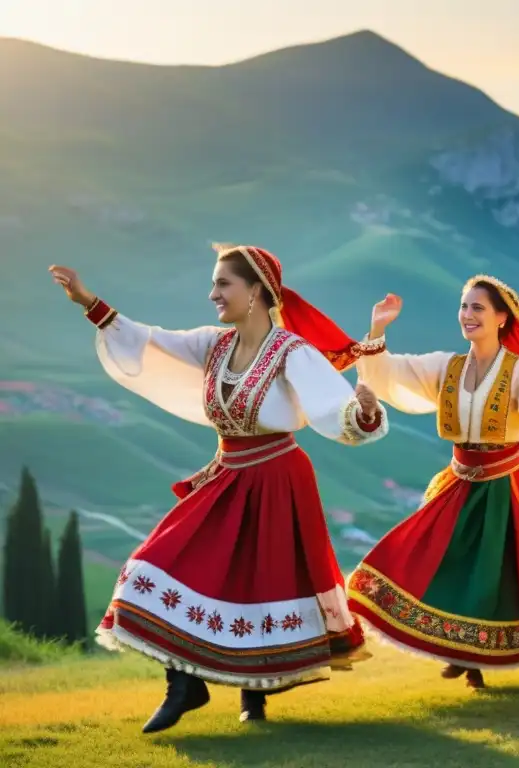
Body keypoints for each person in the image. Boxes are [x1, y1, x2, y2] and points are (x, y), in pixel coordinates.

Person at [48, 244, 389, 733]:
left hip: (276, 477)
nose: (212, 294)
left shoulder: (292, 353)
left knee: (261, 581)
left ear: (256, 291)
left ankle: (252, 696)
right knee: (154, 564)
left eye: (223, 284)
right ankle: (187, 685)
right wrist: (90, 302)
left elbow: (334, 410)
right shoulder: (214, 344)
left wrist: (365, 411)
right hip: (228, 472)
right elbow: (151, 340)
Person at [346, 275, 519, 688]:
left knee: (494, 576)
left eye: (478, 308)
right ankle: (461, 653)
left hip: (505, 485)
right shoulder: (447, 366)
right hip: (460, 480)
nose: (467, 315)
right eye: (464, 307)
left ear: (502, 318)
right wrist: (378, 328)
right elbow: (389, 374)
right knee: (441, 562)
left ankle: (474, 659)